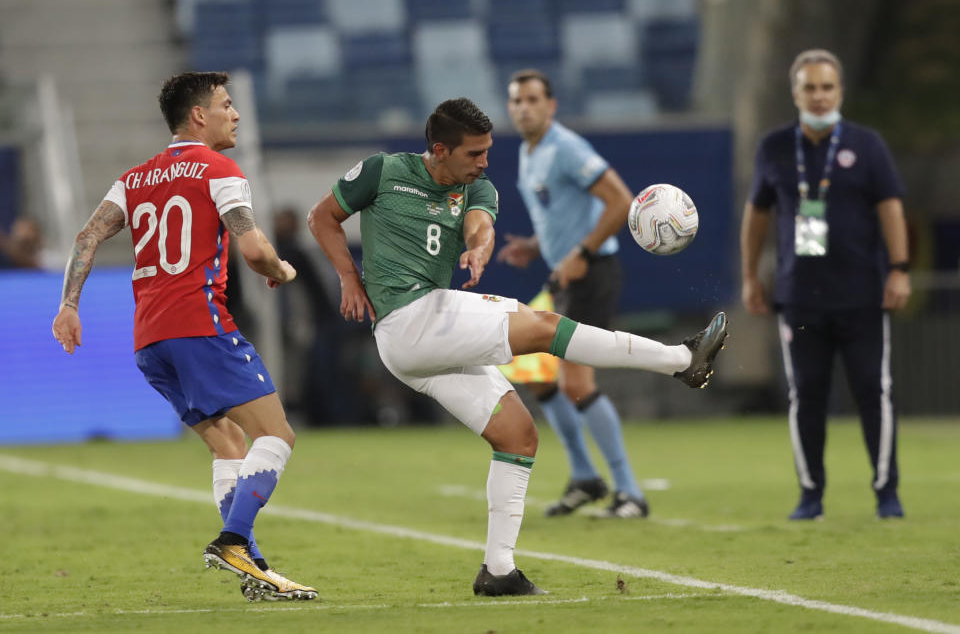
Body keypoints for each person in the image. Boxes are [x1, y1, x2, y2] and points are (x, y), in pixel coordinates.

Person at [306, 97, 728, 596]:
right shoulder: (382, 172)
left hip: (422, 337)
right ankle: (682, 360)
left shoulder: (476, 186)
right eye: (474, 153)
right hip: (408, 318)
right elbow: (322, 217)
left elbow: (478, 223)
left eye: (486, 151)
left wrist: (480, 245)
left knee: (518, 436)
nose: (484, 162)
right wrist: (349, 281)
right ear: (439, 151)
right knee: (545, 326)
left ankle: (499, 571)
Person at [50, 71, 318, 601]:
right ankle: (235, 540)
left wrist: (68, 305)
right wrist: (284, 271)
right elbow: (254, 249)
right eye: (226, 104)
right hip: (199, 326)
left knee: (228, 442)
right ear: (200, 116)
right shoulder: (220, 170)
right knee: (277, 434)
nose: (234, 114)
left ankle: (254, 571)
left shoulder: (134, 179)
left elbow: (87, 236)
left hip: (150, 340)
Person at [740, 49, 911, 520]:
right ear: (795, 93)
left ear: (840, 92)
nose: (819, 96)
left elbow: (891, 207)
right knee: (807, 397)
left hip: (862, 294)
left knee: (873, 393)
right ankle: (811, 495)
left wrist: (900, 268)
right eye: (810, 87)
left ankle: (886, 493)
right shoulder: (774, 147)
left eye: (827, 87)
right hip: (799, 298)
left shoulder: (867, 144)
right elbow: (757, 213)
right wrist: (751, 276)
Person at [497, 68, 650, 519]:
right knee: (541, 377)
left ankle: (630, 492)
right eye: (516, 101)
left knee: (577, 384)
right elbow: (560, 215)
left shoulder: (565, 147)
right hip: (565, 275)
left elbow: (621, 200)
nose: (523, 107)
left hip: (593, 273)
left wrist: (583, 251)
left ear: (551, 104)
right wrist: (535, 245)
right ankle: (585, 478)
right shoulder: (531, 151)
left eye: (532, 99)